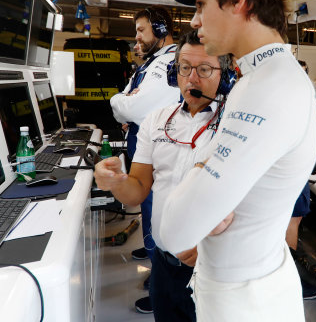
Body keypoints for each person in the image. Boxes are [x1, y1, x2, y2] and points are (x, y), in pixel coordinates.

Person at [163, 0, 316, 321]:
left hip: (245, 302)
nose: (194, 20)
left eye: (201, 5)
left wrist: (198, 174)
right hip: (244, 287)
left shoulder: (270, 88)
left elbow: (174, 231)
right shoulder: (259, 78)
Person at [95, 30, 234, 321]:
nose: (192, 78)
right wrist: (116, 182)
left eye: (205, 69)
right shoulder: (157, 121)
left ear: (226, 74)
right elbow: (138, 188)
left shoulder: (235, 125)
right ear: (174, 72)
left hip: (212, 270)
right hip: (163, 262)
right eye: (184, 68)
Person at [109, 5, 180, 313]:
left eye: (141, 30)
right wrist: (125, 104)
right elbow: (126, 101)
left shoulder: (168, 65)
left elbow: (129, 108)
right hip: (142, 142)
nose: (136, 37)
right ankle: (157, 265)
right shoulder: (152, 63)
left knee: (155, 213)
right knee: (147, 211)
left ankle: (162, 283)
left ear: (161, 30)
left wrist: (121, 103)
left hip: (159, 150)